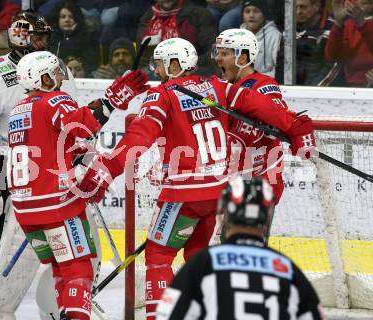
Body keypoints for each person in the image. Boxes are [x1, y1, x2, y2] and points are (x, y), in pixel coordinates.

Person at [79, 37, 316, 319]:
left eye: (160, 64)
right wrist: (298, 128)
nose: (157, 70)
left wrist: (106, 168)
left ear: (175, 64)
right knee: (198, 254)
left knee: (158, 257)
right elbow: (263, 108)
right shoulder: (218, 87)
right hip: (218, 192)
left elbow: (138, 138)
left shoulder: (162, 95)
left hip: (183, 195)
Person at [0, 9, 149, 319]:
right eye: (38, 35)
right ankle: (4, 308)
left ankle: (67, 306)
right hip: (43, 190)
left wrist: (83, 159)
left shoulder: (37, 91)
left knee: (75, 258)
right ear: (20, 35)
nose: (45, 42)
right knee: (73, 260)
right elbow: (75, 123)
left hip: (35, 188)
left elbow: (68, 129)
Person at [8, 50, 148, 320]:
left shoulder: (18, 110)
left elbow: (53, 146)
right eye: (55, 72)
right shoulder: (55, 100)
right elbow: (83, 127)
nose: (61, 75)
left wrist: (76, 155)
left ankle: (67, 312)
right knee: (79, 269)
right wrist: (111, 100)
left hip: (25, 211)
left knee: (61, 267)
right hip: (55, 205)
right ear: (43, 78)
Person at [155, 176, 325, 320]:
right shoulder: (286, 268)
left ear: (224, 214)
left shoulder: (203, 262)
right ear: (267, 217)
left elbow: (166, 314)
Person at [213, 28, 288, 205]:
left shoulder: (264, 84)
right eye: (218, 53)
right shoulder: (219, 86)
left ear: (243, 58)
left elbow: (278, 117)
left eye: (224, 53)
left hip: (258, 182)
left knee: (244, 234)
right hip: (227, 180)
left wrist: (271, 125)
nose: (218, 58)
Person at [137, 0, 217, 75]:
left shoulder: (199, 14)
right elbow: (141, 58)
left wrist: (191, 65)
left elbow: (214, 50)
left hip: (194, 72)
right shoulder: (147, 19)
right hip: (157, 74)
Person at [276, 0, 341, 85]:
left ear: (316, 6)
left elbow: (327, 69)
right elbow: (281, 66)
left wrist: (307, 93)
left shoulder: (333, 30)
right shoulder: (288, 28)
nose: (298, 12)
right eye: (295, 8)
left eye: (303, 7)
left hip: (316, 93)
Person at [325, 0, 373, 87]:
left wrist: (362, 25)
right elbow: (332, 56)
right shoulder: (348, 25)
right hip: (352, 90)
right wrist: (338, 23)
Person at [49, 0, 99, 74]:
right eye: (63, 17)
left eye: (71, 17)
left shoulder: (87, 39)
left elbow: (91, 66)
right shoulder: (51, 38)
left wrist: (71, 36)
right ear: (57, 20)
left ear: (77, 19)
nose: (67, 20)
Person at [240, 0, 282, 77]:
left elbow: (279, 71)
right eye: (247, 11)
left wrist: (255, 78)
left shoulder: (275, 36)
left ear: (264, 14)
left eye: (256, 11)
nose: (251, 15)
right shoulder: (237, 36)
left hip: (266, 84)